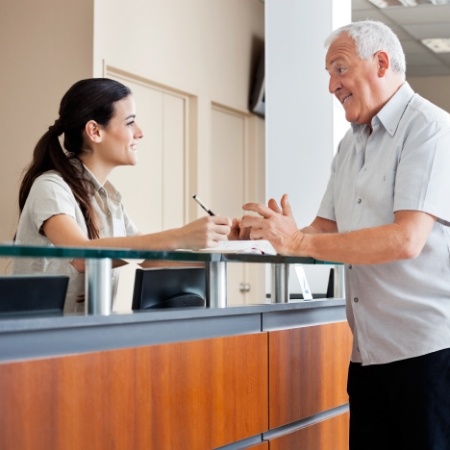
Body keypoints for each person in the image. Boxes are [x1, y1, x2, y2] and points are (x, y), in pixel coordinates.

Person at [241, 20, 450, 450]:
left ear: (381, 63)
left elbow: (405, 239)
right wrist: (269, 234)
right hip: (368, 354)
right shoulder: (350, 144)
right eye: (329, 74)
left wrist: (298, 242)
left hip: (428, 355)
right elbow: (323, 231)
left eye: (339, 69)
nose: (331, 86)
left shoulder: (429, 129)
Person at [13, 78, 233, 313]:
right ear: (95, 131)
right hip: (37, 340)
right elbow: (81, 256)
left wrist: (225, 245)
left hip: (84, 335)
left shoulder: (109, 200)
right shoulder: (50, 187)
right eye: (130, 123)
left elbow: (149, 258)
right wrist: (180, 236)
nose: (140, 133)